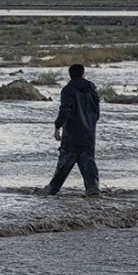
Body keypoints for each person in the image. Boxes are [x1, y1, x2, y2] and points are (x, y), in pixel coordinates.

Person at [42, 63, 101, 197]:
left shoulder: (68, 90)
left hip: (72, 133)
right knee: (88, 160)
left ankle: (52, 189)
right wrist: (90, 125)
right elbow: (96, 113)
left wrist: (57, 126)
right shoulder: (92, 90)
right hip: (89, 132)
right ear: (83, 74)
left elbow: (65, 110)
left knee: (65, 161)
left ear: (70, 75)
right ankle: (92, 189)